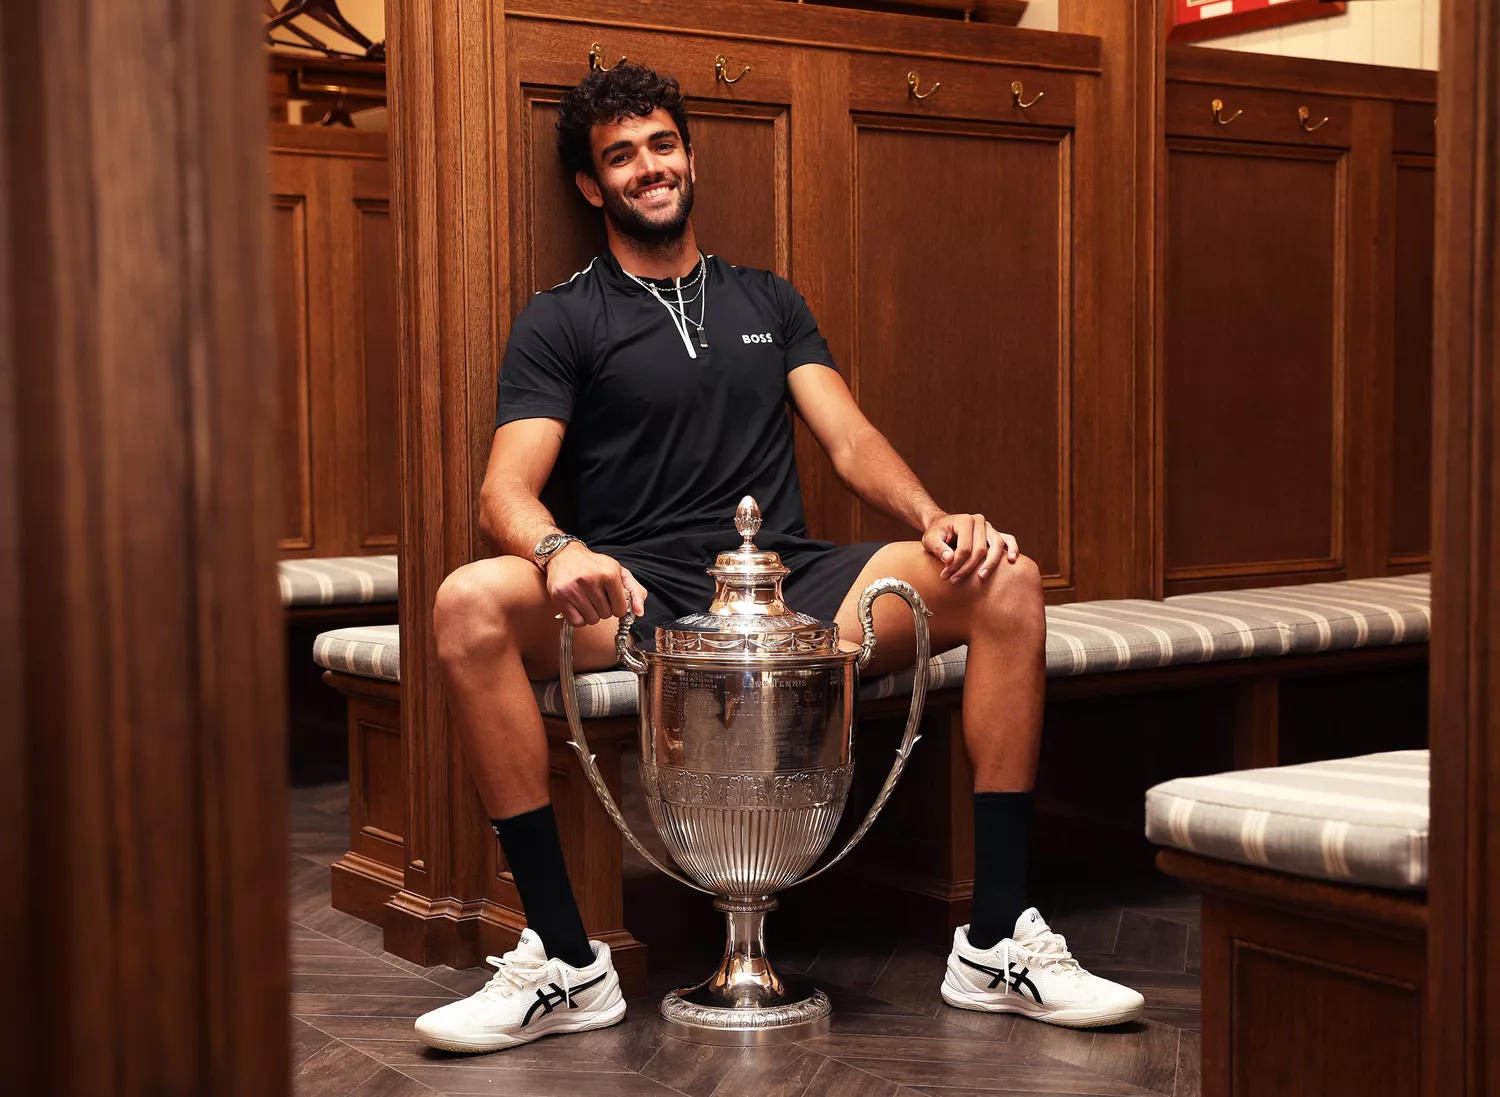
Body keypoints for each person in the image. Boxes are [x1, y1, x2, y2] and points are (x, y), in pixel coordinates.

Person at [413, 62, 1144, 1054]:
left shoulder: (768, 298)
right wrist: (557, 549)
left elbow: (847, 438)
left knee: (1003, 576)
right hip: (643, 592)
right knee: (467, 603)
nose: (648, 166)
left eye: (662, 145)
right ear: (594, 186)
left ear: (690, 156)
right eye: (620, 156)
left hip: (791, 583)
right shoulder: (562, 317)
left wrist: (934, 516)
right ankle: (562, 956)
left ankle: (994, 938)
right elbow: (504, 488)